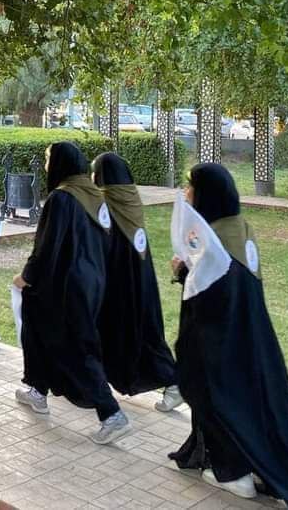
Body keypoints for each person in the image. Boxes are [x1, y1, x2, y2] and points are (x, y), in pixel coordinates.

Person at [169, 163, 288, 504]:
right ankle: (250, 464)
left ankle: (234, 473)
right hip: (249, 338)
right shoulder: (238, 227)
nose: (187, 192)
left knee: (214, 394)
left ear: (207, 194)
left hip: (220, 344)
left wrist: (182, 271)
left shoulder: (214, 242)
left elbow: (210, 297)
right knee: (245, 401)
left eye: (191, 186)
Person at [14, 141, 130, 444]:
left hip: (64, 285)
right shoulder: (94, 195)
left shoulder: (62, 198)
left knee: (76, 347)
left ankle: (111, 414)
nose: (46, 164)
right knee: (41, 333)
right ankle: (38, 390)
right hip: (91, 280)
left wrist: (27, 277)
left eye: (48, 158)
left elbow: (47, 246)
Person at [91, 152, 180, 409]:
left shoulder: (107, 204)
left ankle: (173, 382)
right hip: (140, 281)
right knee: (143, 333)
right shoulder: (129, 198)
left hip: (118, 285)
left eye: (95, 172)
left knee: (124, 335)